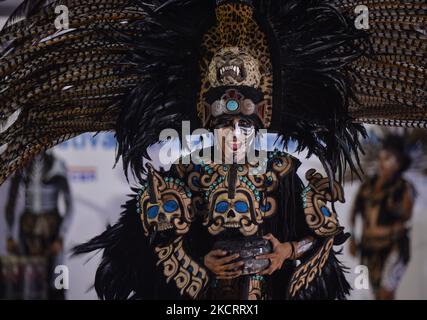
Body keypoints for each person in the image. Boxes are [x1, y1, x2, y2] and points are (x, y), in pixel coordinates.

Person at [0, 0, 425, 300]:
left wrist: (284, 253)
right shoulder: (181, 176)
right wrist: (201, 264)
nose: (236, 133)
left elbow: (322, 236)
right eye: (225, 123)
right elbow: (141, 251)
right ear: (208, 124)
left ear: (261, 123)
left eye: (245, 123)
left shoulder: (283, 171)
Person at [350, 135, 415, 300]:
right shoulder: (367, 185)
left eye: (387, 158)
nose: (381, 162)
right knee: (363, 292)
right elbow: (354, 212)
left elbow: (406, 219)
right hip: (365, 250)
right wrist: (351, 237)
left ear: (398, 162)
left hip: (393, 250)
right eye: (381, 157)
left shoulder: (404, 187)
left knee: (385, 295)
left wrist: (395, 210)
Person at [4, 151, 72, 300]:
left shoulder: (57, 164)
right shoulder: (21, 165)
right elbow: (11, 203)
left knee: (57, 280)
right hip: (28, 230)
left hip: (51, 229)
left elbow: (70, 205)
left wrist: (60, 237)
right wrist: (10, 235)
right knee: (28, 281)